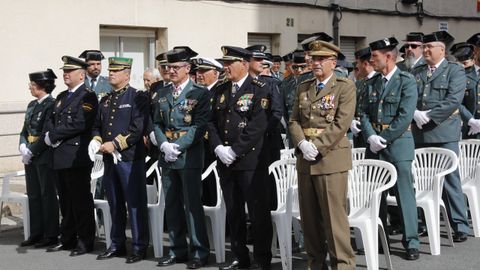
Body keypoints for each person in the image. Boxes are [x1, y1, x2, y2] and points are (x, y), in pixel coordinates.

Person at [288, 40, 356, 270]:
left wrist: (316, 145)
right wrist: (301, 143)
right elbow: (294, 120)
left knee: (334, 221)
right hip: (305, 160)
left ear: (333, 62)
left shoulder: (344, 86)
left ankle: (343, 265)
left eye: (320, 59)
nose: (314, 63)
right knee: (309, 221)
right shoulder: (303, 86)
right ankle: (315, 264)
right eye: (312, 59)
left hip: (330, 159)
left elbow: (341, 123)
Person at [209, 46, 272, 270]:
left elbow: (257, 126)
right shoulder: (220, 89)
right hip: (226, 162)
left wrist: (235, 150)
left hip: (250, 163)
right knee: (234, 212)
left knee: (257, 213)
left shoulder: (259, 89)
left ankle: (262, 259)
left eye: (229, 63)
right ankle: (239, 256)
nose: (225, 68)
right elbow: (211, 122)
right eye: (224, 64)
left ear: (244, 64)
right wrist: (218, 148)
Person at [361, 37, 420, 260]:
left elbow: (405, 116)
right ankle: (378, 237)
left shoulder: (406, 80)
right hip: (375, 144)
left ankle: (411, 241)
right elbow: (363, 111)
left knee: (404, 194)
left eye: (374, 56)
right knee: (376, 195)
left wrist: (382, 138)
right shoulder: (371, 82)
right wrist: (370, 136)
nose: (371, 60)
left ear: (388, 56)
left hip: (398, 145)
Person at [154, 46, 211, 269]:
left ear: (188, 68)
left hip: (188, 156)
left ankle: (199, 251)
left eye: (176, 67)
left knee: (192, 205)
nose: (171, 71)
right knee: (172, 205)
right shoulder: (162, 93)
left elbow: (199, 125)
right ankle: (177, 250)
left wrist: (176, 147)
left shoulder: (199, 93)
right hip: (167, 155)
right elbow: (157, 123)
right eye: (169, 67)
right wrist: (164, 145)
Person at [411, 30, 470, 242]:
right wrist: (414, 113)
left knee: (450, 179)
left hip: (444, 131)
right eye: (424, 47)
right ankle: (426, 222)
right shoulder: (417, 71)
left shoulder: (454, 70)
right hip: (419, 132)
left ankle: (459, 224)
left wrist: (429, 115)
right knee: (422, 179)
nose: (425, 50)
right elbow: (409, 96)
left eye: (429, 47)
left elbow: (453, 99)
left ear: (442, 50)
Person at [92, 57, 150, 264]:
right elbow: (98, 126)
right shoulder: (106, 100)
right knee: (114, 203)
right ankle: (116, 244)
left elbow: (137, 128)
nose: (111, 74)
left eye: (116, 71)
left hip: (129, 159)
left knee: (135, 203)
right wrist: (97, 139)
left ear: (127, 74)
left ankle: (139, 246)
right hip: (109, 160)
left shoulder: (137, 97)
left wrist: (115, 144)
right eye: (111, 70)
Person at [44, 56, 97, 256]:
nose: (65, 74)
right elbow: (51, 120)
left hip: (76, 156)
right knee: (65, 200)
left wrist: (55, 135)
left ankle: (85, 241)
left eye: (70, 71)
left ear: (81, 75)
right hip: (59, 155)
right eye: (64, 71)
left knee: (80, 200)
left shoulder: (88, 95)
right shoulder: (61, 96)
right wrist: (49, 135)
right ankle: (67, 239)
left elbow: (80, 122)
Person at [18, 69, 59, 248]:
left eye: (33, 85)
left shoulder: (52, 104)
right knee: (33, 195)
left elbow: (46, 133)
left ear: (42, 86)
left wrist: (32, 151)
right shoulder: (31, 105)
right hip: (30, 155)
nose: (30, 87)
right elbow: (24, 130)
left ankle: (50, 234)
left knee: (47, 195)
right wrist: (22, 146)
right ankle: (36, 232)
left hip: (44, 154)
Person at [192, 56, 224, 206]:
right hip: (198, 147)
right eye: (198, 71)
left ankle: (220, 228)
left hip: (213, 148)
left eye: (204, 71)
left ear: (216, 73)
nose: (199, 74)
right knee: (201, 191)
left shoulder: (221, 92)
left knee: (214, 191)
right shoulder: (197, 93)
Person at [281, 50, 308, 147]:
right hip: (293, 133)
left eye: (303, 66)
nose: (299, 70)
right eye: (295, 67)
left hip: (310, 134)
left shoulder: (314, 83)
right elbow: (284, 110)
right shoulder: (286, 84)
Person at [453, 42, 480, 139]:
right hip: (469, 129)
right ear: (476, 51)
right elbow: (457, 100)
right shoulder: (462, 73)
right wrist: (470, 120)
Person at [350, 47, 376, 148]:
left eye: (358, 63)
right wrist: (351, 120)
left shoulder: (379, 81)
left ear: (365, 64)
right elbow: (352, 106)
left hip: (373, 133)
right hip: (359, 134)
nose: (356, 66)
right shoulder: (359, 84)